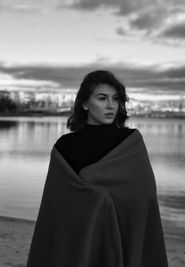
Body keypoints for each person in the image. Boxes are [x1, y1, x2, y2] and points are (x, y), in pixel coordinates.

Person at [26, 70, 168, 267]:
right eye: (102, 98)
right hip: (79, 238)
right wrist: (96, 199)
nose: (111, 105)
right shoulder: (65, 147)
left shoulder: (131, 141)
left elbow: (144, 196)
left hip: (124, 234)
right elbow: (56, 206)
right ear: (85, 104)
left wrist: (102, 201)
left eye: (116, 99)